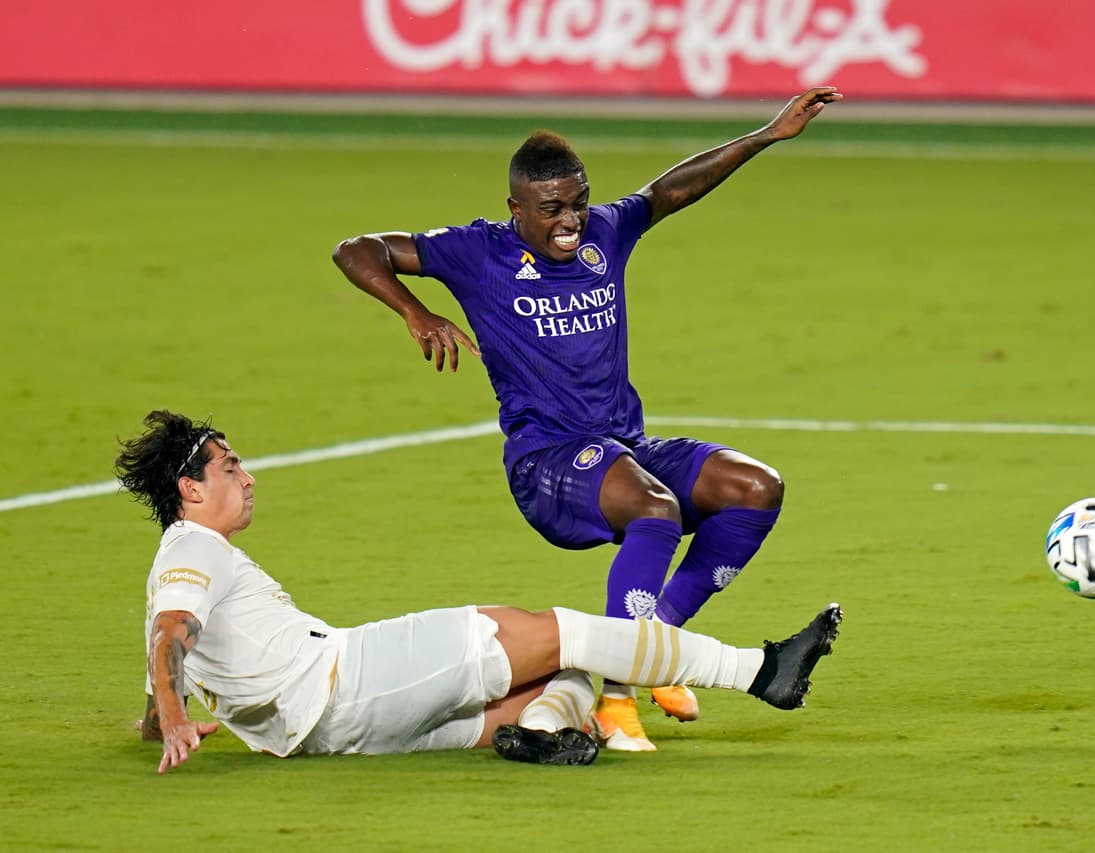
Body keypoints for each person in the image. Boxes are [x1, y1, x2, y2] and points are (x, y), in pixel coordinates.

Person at [332, 87, 843, 750]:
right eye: (552, 209)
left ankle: (652, 640)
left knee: (755, 487)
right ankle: (617, 696)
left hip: (621, 447)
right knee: (654, 508)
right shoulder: (475, 252)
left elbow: (670, 192)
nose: (571, 219)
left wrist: (766, 135)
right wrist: (414, 311)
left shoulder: (605, 231)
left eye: (577, 201)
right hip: (546, 462)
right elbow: (356, 248)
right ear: (517, 209)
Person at [116, 410, 842, 773]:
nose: (247, 478)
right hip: (346, 677)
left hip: (324, 736)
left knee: (554, 682)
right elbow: (171, 633)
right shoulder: (195, 546)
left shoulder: (176, 560)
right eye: (231, 467)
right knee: (559, 629)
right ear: (191, 487)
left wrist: (158, 719)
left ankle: (545, 731)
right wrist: (179, 719)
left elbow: (176, 636)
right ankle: (761, 670)